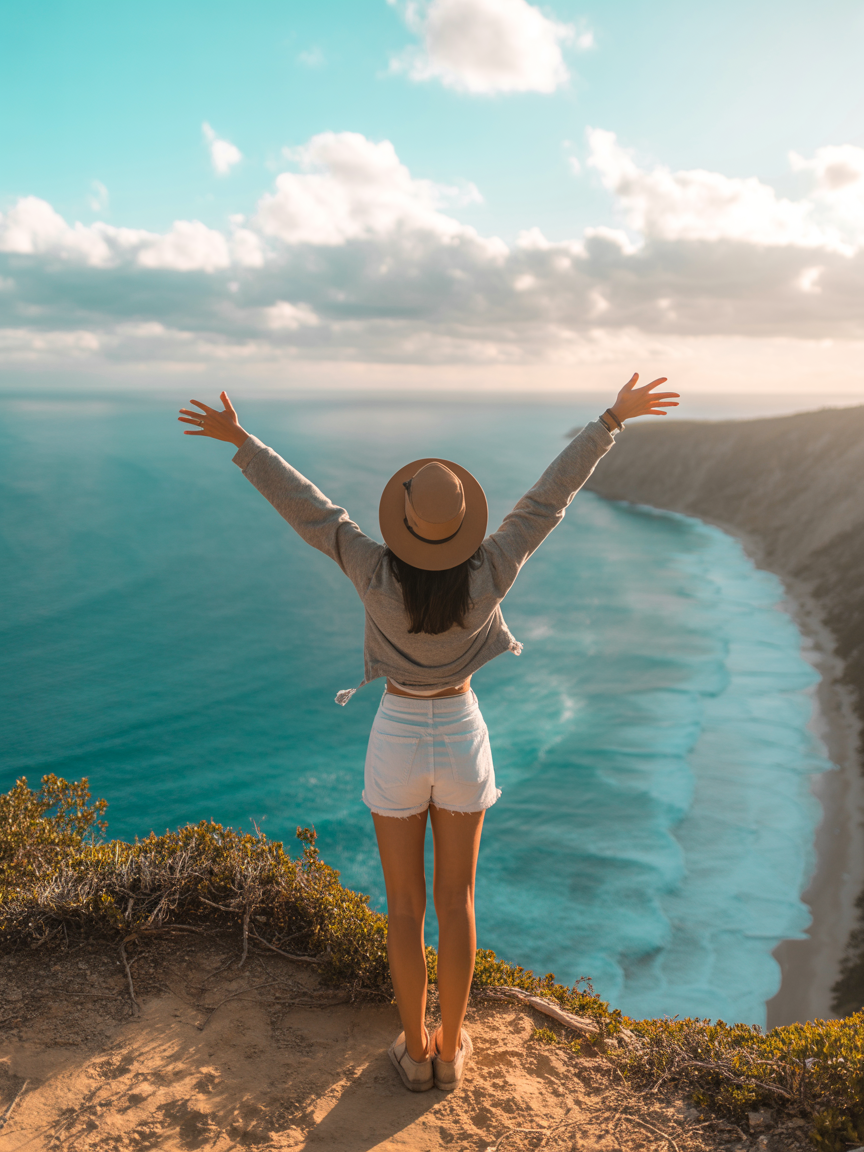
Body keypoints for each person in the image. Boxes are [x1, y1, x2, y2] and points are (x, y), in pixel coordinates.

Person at [177, 373, 679, 1093]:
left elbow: (310, 509)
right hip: (464, 732)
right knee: (458, 902)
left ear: (404, 521)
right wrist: (610, 420)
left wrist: (242, 441)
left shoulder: (371, 569)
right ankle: (452, 1044)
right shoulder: (493, 570)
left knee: (405, 907)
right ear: (465, 524)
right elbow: (548, 499)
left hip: (398, 735)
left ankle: (414, 1051)